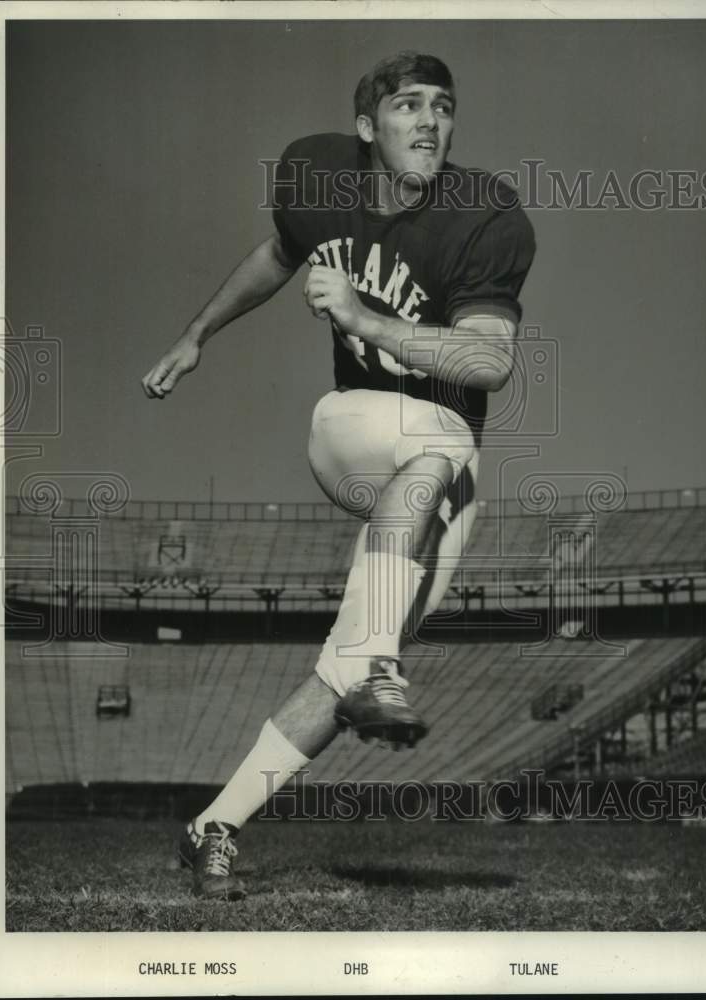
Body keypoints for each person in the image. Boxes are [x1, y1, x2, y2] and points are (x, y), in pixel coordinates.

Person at [141, 51, 536, 900]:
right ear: (367, 128)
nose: (429, 121)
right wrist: (197, 333)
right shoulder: (320, 175)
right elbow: (277, 254)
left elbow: (486, 363)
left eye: (442, 105)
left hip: (443, 468)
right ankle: (379, 670)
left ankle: (214, 825)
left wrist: (364, 315)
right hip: (353, 427)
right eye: (406, 106)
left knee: (347, 663)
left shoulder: (483, 218)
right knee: (430, 454)